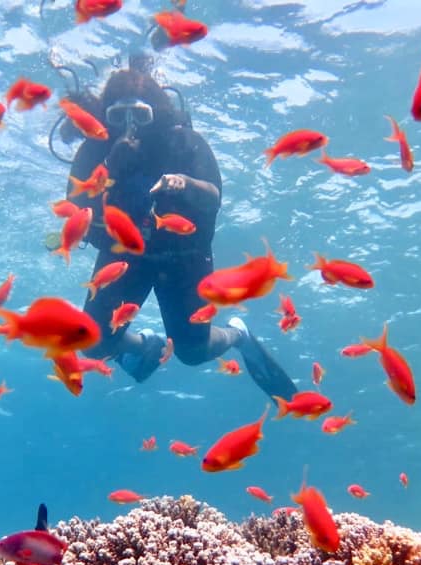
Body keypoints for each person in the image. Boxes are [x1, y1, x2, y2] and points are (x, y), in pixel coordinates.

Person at [61, 63, 297, 400]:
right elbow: (74, 207)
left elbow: (213, 197)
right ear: (105, 116)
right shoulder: (96, 147)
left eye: (140, 115)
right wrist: (110, 167)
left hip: (182, 255)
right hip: (125, 254)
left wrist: (185, 183)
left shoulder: (184, 142)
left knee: (192, 351)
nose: (130, 125)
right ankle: (146, 346)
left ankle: (238, 335)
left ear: (156, 112)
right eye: (118, 116)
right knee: (94, 343)